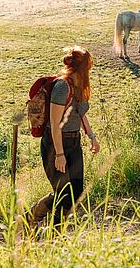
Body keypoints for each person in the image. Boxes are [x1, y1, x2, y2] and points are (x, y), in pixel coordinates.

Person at [27, 46, 100, 228]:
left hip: (73, 142)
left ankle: (51, 228)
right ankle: (34, 221)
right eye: (89, 66)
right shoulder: (62, 87)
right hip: (55, 144)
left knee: (76, 192)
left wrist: (92, 136)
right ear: (82, 67)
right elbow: (55, 123)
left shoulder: (79, 87)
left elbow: (81, 114)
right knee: (63, 193)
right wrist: (59, 154)